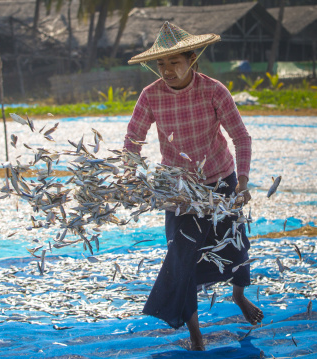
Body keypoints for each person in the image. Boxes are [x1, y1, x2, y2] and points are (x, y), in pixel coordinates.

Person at [123, 22, 264, 351]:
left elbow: (240, 137)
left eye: (174, 62)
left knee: (236, 247)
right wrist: (130, 176)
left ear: (192, 60)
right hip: (178, 189)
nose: (167, 70)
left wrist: (242, 181)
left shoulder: (214, 90)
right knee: (182, 258)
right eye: (161, 64)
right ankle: (195, 333)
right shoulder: (151, 95)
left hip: (220, 178)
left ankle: (239, 294)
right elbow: (133, 140)